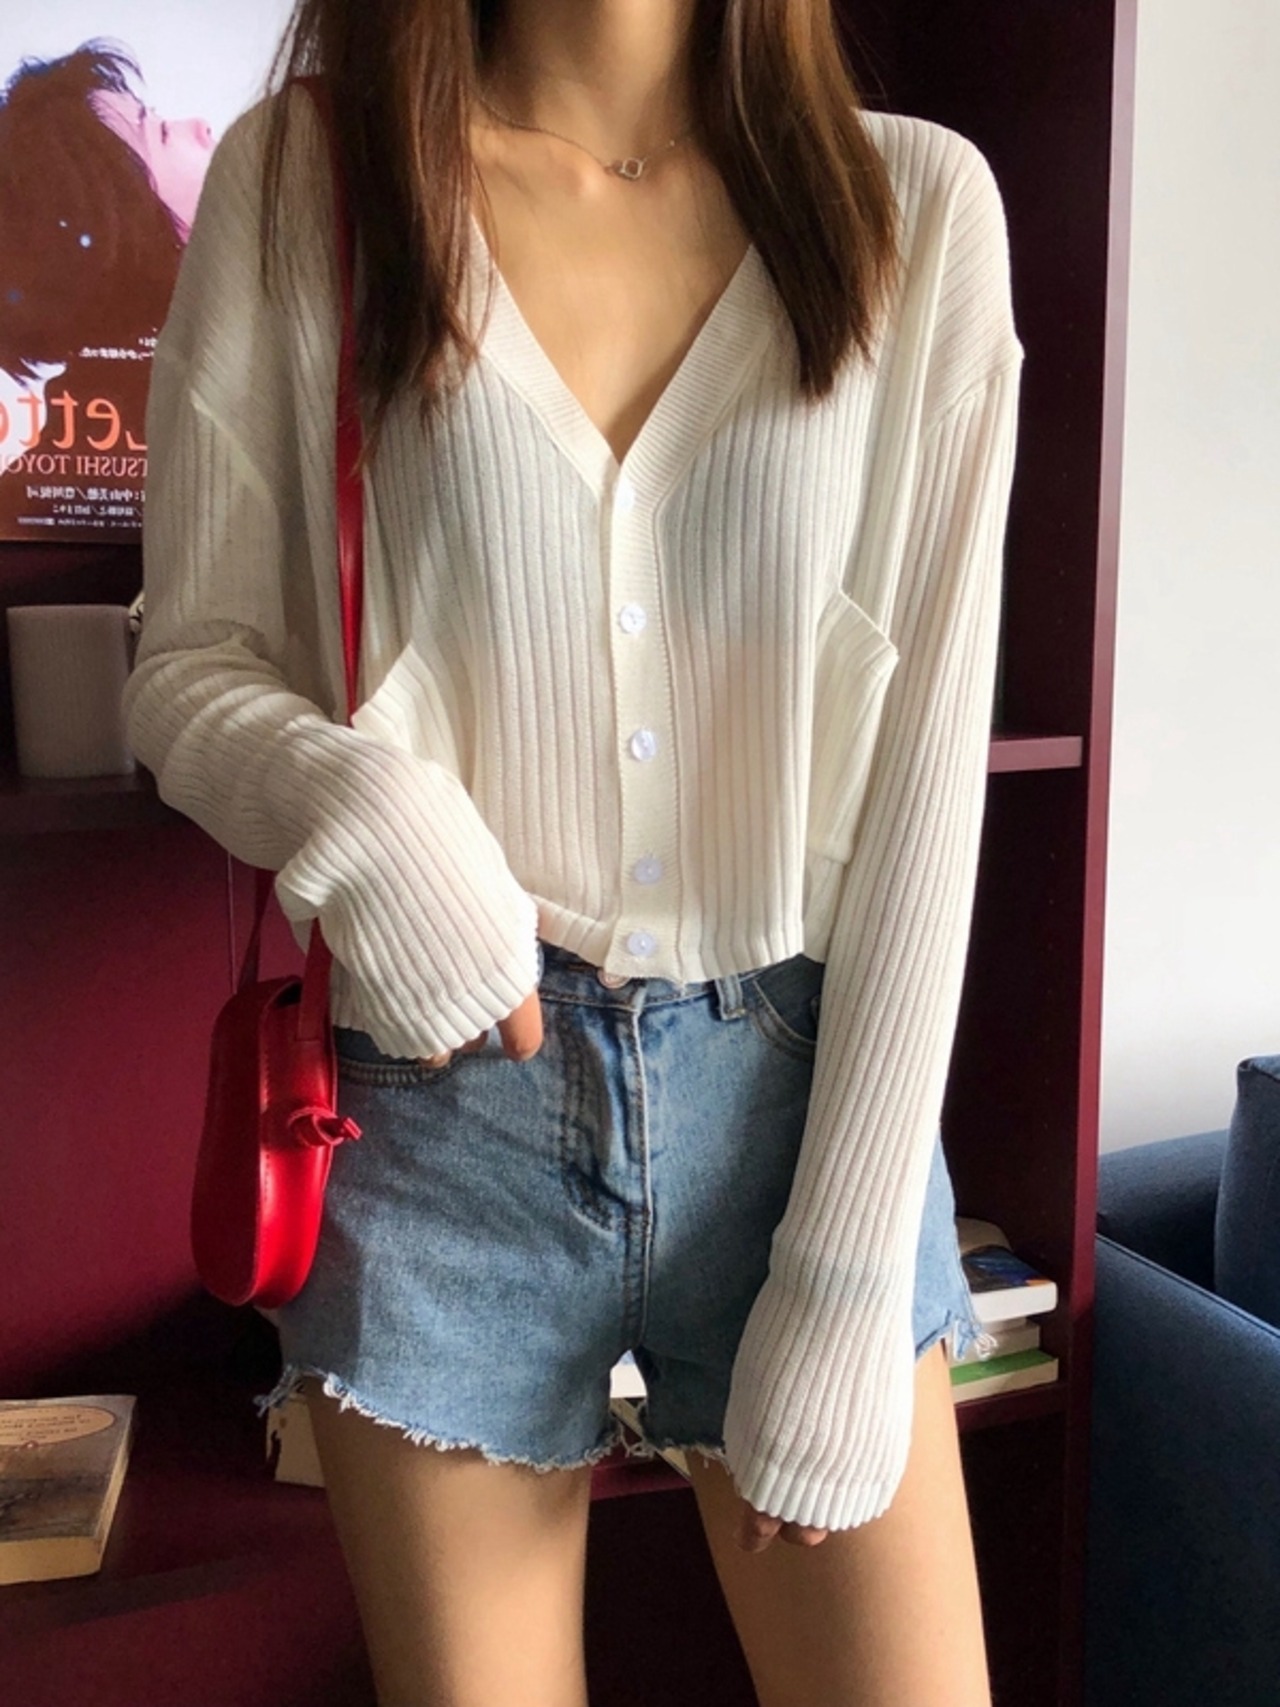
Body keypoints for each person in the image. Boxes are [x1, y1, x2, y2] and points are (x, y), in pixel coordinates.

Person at [123, 1, 1023, 1702]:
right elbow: (185, 668)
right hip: (439, 1104)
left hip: (804, 1102)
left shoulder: (913, 204)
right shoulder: (307, 182)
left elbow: (928, 779)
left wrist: (845, 1277)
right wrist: (379, 826)